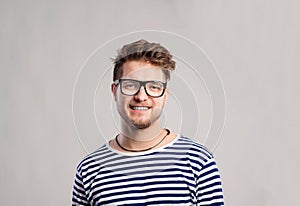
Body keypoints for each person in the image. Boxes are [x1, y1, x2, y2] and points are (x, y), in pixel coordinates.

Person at [72, 39, 224, 205]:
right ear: (115, 91)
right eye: (130, 85)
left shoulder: (198, 161)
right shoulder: (89, 169)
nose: (141, 97)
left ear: (164, 96)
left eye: (153, 86)